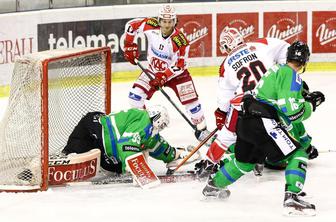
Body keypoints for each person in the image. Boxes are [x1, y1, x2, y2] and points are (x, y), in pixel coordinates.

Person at [201, 41, 325, 216]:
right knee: (298, 154)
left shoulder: (274, 70)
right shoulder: (291, 75)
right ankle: (291, 198)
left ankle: (213, 186)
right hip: (262, 122)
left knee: (244, 162)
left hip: (244, 120)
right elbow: (292, 112)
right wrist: (311, 104)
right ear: (305, 61)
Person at [194, 27, 317, 178]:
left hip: (245, 104)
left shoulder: (225, 64)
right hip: (270, 95)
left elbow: (224, 100)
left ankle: (210, 163)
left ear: (225, 47)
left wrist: (223, 113)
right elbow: (287, 50)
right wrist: (284, 74)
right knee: (289, 113)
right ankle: (305, 146)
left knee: (227, 135)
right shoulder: (261, 43)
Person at [123, 4, 210, 142]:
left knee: (193, 104)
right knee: (135, 98)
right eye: (164, 21)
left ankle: (202, 130)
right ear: (159, 20)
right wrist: (129, 45)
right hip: (153, 70)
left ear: (175, 21)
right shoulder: (149, 25)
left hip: (177, 75)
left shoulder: (180, 41)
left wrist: (163, 76)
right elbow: (131, 25)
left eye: (170, 22)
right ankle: (146, 127)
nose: (166, 25)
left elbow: (180, 65)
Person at [62, 105, 198, 175]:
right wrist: (133, 165)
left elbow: (158, 146)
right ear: (156, 118)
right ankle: (65, 158)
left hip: (105, 144)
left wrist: (174, 155)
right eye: (162, 124)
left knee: (115, 168)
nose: (161, 128)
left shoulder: (151, 132)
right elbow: (127, 143)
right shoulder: (144, 121)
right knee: (73, 152)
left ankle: (73, 157)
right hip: (94, 127)